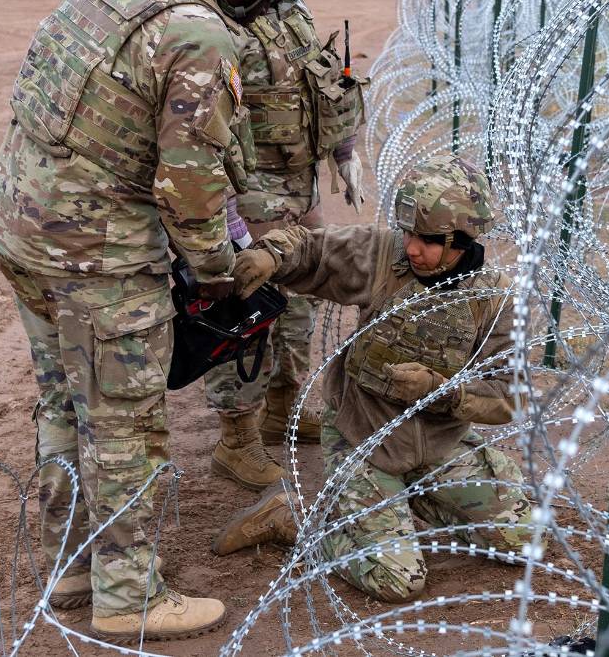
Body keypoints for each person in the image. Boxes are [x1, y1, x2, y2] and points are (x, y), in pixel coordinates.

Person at [0, 0, 322, 641]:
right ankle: (128, 590)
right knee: (126, 423)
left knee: (65, 403)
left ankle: (72, 563)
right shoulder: (204, 38)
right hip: (97, 255)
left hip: (20, 225)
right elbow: (189, 185)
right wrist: (223, 270)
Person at [212, 155, 533, 603]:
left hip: (439, 444)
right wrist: (272, 254)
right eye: (408, 234)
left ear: (464, 239)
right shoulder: (386, 258)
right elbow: (313, 249)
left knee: (525, 541)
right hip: (365, 439)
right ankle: (295, 518)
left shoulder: (493, 301)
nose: (413, 247)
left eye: (429, 239)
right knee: (397, 580)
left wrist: (444, 392)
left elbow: (511, 397)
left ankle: (412, 499)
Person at [200, 0, 368, 491]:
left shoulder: (293, 13)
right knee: (249, 314)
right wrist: (226, 216)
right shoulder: (216, 24)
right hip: (246, 194)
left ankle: (284, 409)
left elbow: (325, 90)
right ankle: (237, 440)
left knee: (301, 306)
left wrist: (345, 156)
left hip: (300, 189)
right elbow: (204, 133)